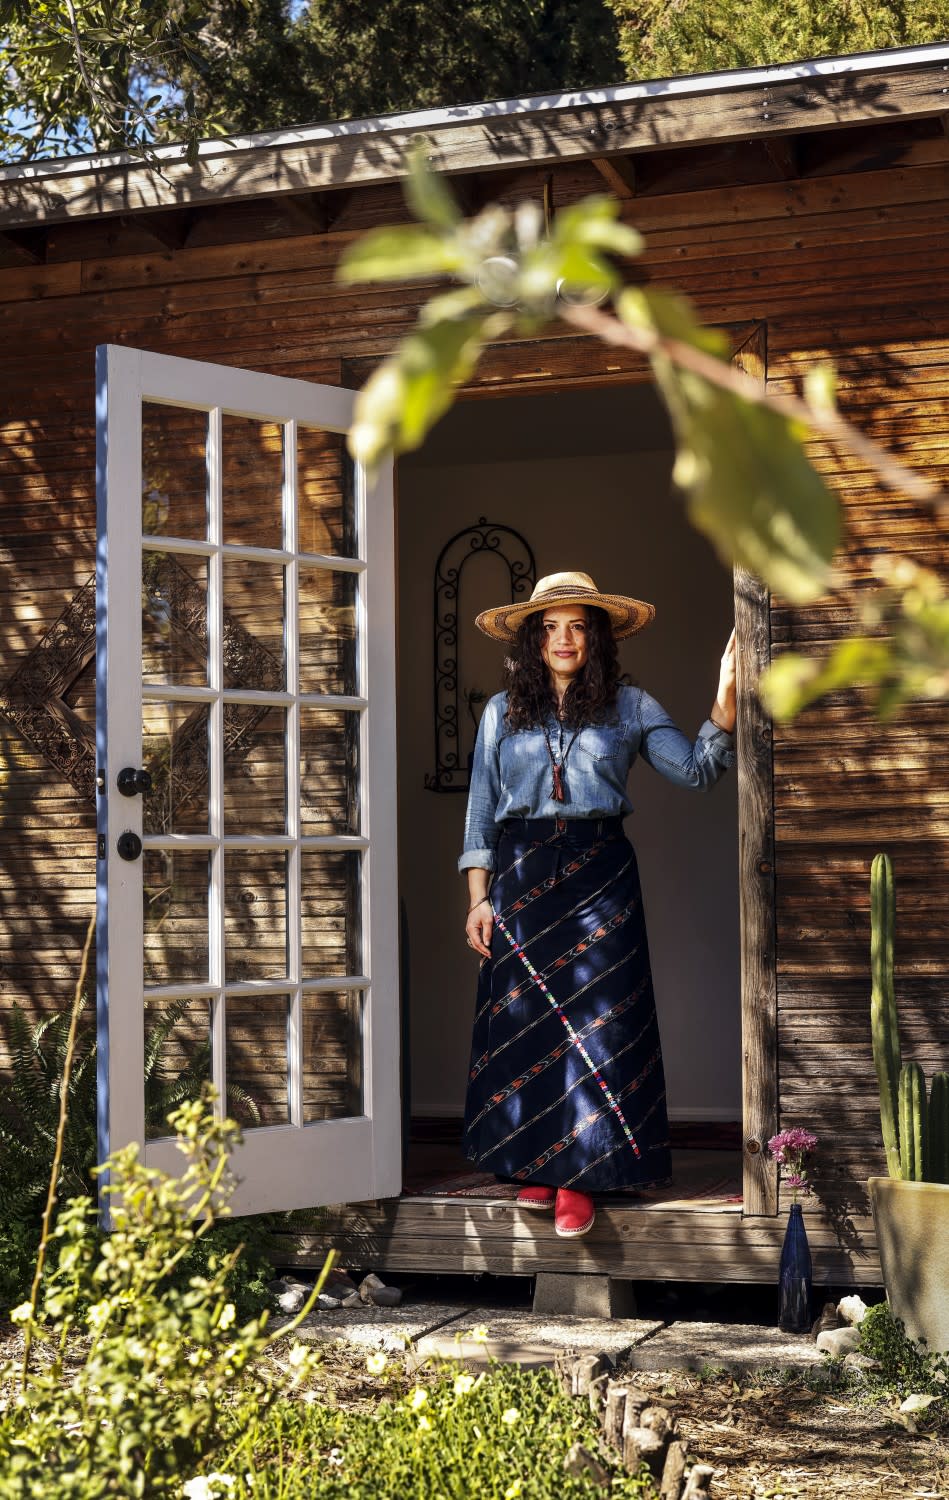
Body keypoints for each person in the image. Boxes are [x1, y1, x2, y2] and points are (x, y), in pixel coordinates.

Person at [459, 571, 737, 1239]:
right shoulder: (500, 712)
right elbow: (479, 817)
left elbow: (697, 771)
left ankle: (582, 1178)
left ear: (596, 638)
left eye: (578, 625)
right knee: (528, 1026)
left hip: (600, 872)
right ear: (533, 640)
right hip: (522, 874)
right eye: (550, 627)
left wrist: (726, 699)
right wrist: (477, 899)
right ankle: (535, 1162)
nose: (564, 638)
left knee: (600, 1023)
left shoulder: (632, 706)